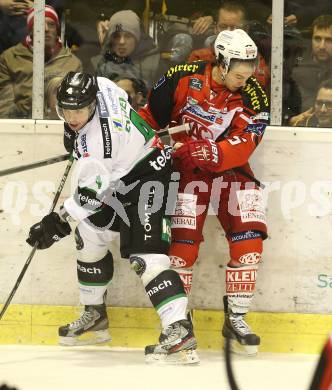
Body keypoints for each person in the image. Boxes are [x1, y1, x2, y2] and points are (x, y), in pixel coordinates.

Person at [26, 71, 199, 364]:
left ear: (92, 105)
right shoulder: (102, 85)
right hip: (120, 174)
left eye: (78, 111)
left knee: (147, 257)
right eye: (66, 110)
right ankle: (94, 314)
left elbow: (89, 197)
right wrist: (77, 135)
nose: (72, 116)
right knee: (90, 234)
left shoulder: (96, 145)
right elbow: (120, 98)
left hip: (150, 179)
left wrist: (56, 224)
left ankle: (178, 330)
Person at [139, 29, 270, 355]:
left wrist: (216, 152)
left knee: (250, 237)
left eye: (249, 73)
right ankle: (178, 322)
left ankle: (236, 318)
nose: (244, 80)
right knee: (182, 247)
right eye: (238, 74)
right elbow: (149, 119)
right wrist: (157, 145)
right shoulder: (180, 78)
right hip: (185, 172)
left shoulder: (255, 95)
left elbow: (249, 140)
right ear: (222, 63)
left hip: (231, 170)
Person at [0, 5, 82, 118]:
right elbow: (4, 104)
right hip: (20, 127)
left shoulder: (72, 63)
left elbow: (76, 106)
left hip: (58, 127)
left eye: (51, 24)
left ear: (57, 30)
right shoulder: (10, 58)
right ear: (30, 30)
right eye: (40, 24)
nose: (46, 29)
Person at [188, 1, 271, 91]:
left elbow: (259, 90)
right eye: (223, 27)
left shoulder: (255, 59)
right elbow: (191, 91)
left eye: (235, 28)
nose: (228, 33)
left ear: (245, 30)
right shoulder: (199, 56)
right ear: (215, 29)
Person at [93, 10, 160, 88]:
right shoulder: (100, 64)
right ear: (111, 39)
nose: (121, 42)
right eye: (116, 36)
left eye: (128, 36)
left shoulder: (155, 63)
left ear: (137, 38)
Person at [292, 14, 332, 112]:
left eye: (329, 40)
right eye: (317, 39)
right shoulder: (296, 63)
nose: (322, 46)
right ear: (311, 39)